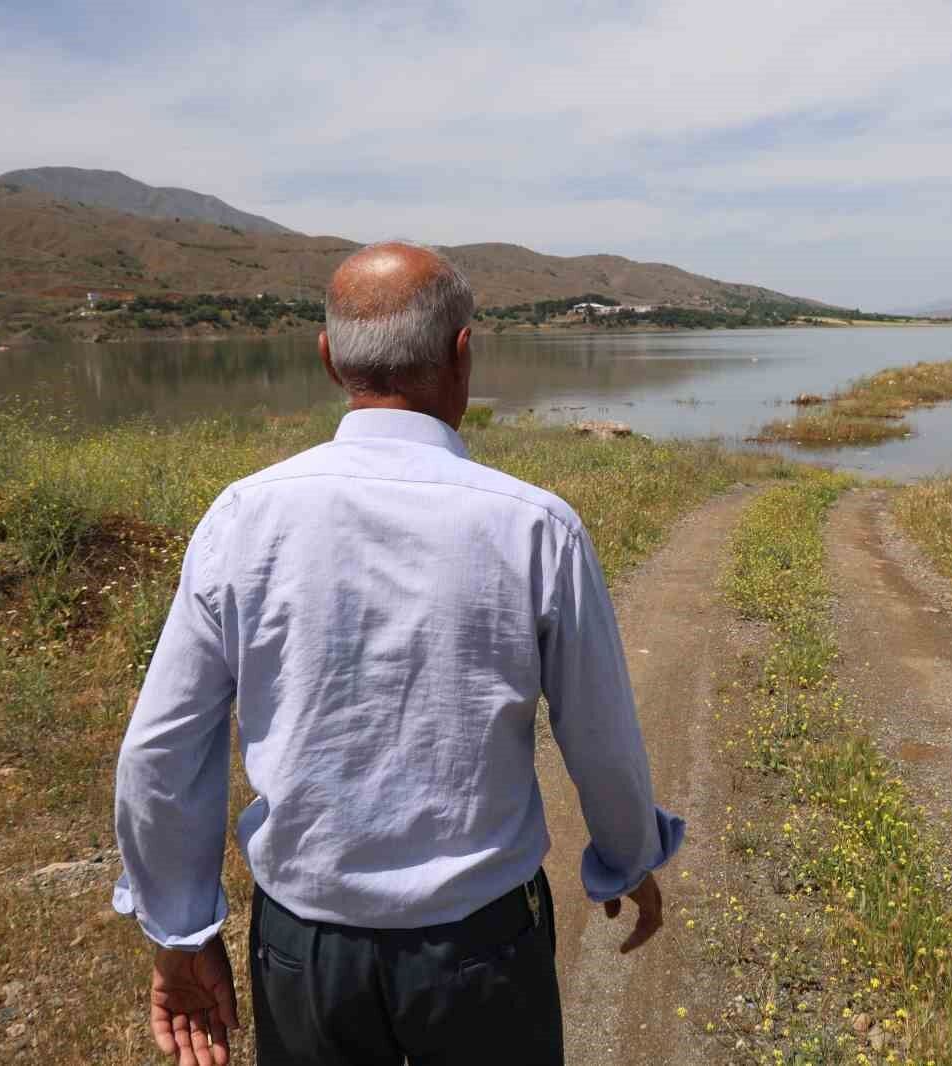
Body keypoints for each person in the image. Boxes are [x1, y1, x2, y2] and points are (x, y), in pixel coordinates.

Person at [112, 242, 684, 1066]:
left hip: (304, 949)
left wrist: (179, 929)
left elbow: (159, 750)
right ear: (462, 354)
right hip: (485, 943)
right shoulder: (534, 526)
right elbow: (600, 734)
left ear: (329, 360)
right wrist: (628, 859)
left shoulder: (245, 517)